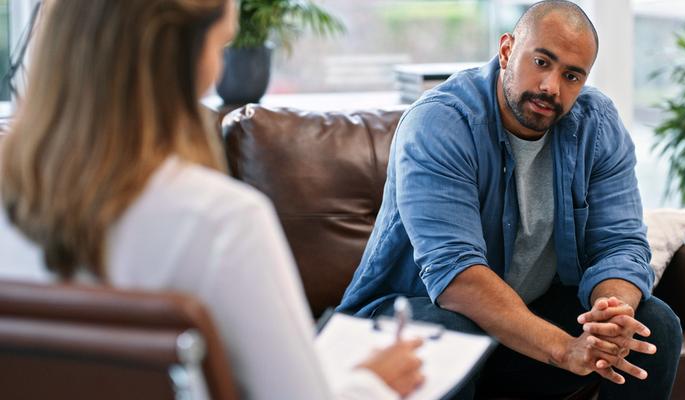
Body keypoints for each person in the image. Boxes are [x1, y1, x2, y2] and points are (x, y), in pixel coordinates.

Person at [0, 1, 424, 399]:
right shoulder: (221, 221)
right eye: (221, 45)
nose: (219, 66)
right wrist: (370, 383)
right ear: (181, 59)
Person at [337, 1, 682, 398]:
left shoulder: (597, 126)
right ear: (506, 51)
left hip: (522, 328)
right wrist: (563, 349)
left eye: (571, 76)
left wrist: (612, 314)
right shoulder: (440, 123)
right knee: (445, 332)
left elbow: (619, 244)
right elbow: (457, 277)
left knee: (653, 325)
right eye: (541, 62)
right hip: (408, 322)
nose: (551, 86)